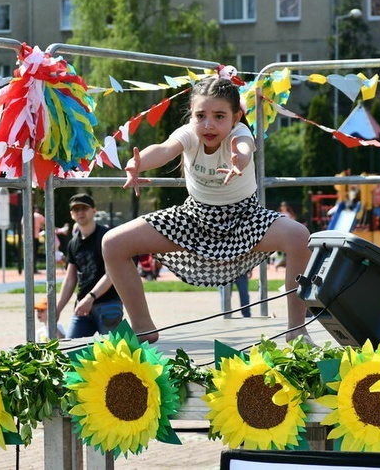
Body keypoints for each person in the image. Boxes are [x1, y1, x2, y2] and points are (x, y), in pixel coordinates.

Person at [102, 77, 311, 343]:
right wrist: (138, 162)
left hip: (244, 218)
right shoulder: (189, 133)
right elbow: (165, 149)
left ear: (236, 117)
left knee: (299, 235)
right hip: (194, 218)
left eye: (219, 116)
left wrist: (241, 158)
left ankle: (296, 329)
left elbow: (244, 148)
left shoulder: (240, 134)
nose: (208, 125)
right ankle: (143, 329)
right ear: (192, 114)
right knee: (112, 243)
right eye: (201, 115)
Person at [55, 193, 124, 339]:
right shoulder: (73, 243)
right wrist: (57, 309)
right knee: (71, 351)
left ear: (94, 210)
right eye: (76, 209)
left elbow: (111, 274)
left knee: (116, 353)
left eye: (84, 208)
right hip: (82, 308)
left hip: (108, 304)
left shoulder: (106, 238)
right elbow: (69, 280)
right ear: (71, 214)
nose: (80, 212)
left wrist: (91, 297)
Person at [32, 206, 46, 273]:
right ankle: (34, 268)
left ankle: (29, 268)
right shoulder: (38, 216)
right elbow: (46, 222)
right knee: (34, 253)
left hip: (27, 238)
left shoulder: (25, 216)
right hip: (35, 237)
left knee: (29, 254)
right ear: (36, 209)